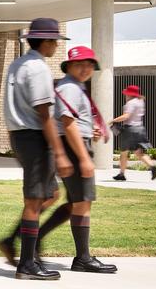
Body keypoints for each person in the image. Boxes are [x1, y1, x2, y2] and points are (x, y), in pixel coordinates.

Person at [0, 18, 73, 281]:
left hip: (20, 135)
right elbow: (44, 114)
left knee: (50, 194)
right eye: (54, 41)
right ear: (46, 41)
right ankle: (27, 264)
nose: (55, 46)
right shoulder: (38, 68)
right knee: (34, 200)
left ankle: (13, 241)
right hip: (35, 137)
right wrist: (60, 153)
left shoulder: (17, 64)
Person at [47, 45, 116, 273]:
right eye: (80, 64)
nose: (86, 68)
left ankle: (40, 240)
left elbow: (75, 121)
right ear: (69, 66)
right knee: (82, 203)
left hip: (77, 145)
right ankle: (83, 258)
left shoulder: (76, 87)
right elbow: (67, 123)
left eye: (89, 65)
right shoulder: (70, 88)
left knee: (76, 203)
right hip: (74, 149)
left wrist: (90, 131)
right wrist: (84, 157)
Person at [110, 85, 156, 181]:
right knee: (139, 152)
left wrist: (113, 120)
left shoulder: (130, 103)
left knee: (123, 153)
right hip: (140, 128)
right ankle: (152, 166)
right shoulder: (140, 101)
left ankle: (122, 174)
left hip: (130, 129)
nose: (125, 95)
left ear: (130, 94)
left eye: (126, 93)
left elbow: (126, 116)